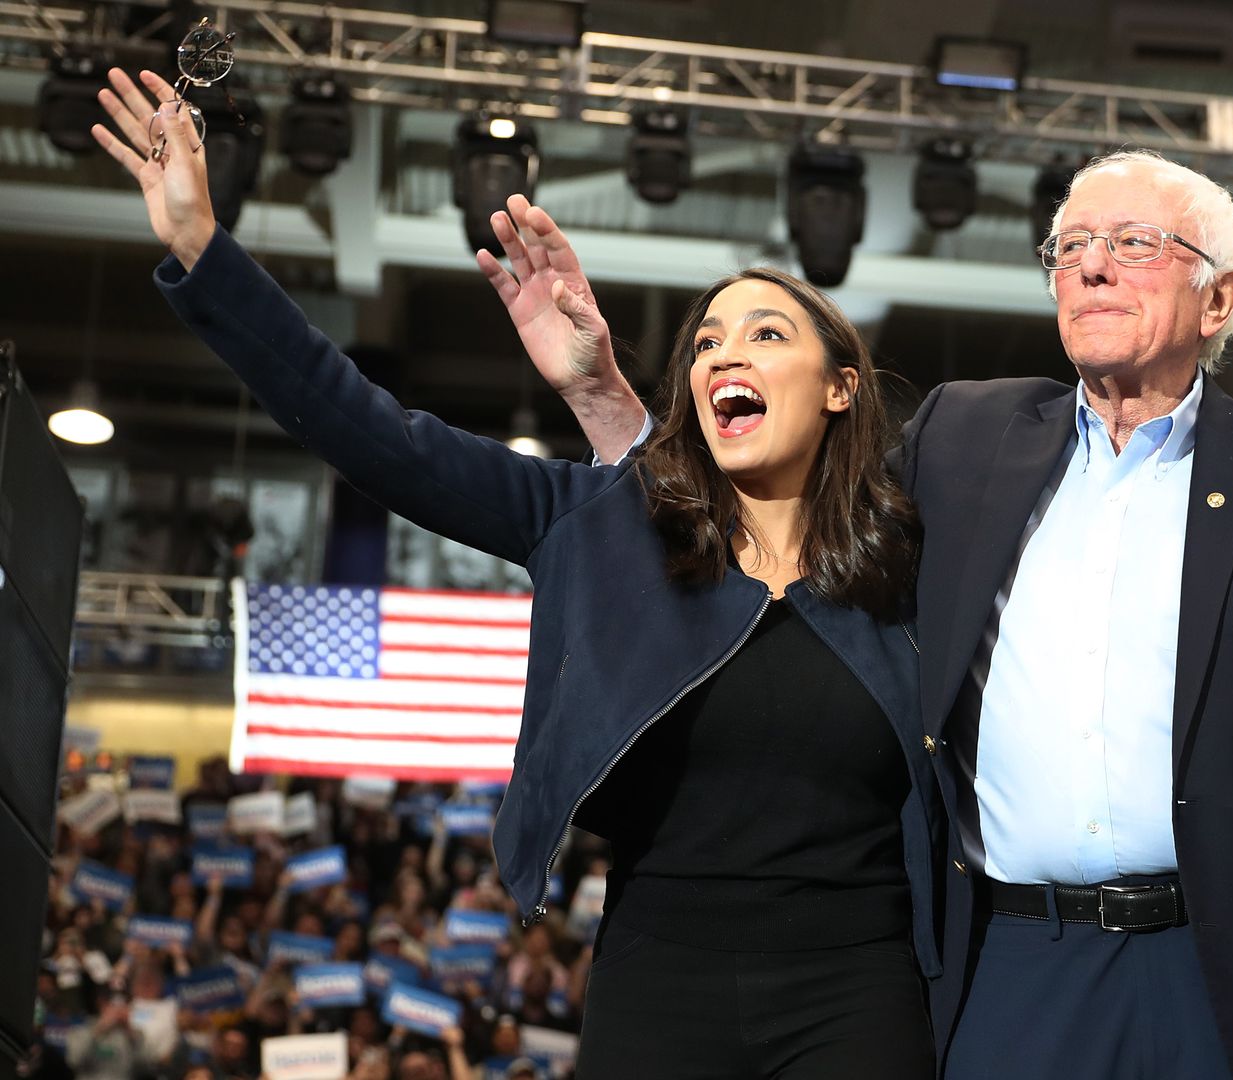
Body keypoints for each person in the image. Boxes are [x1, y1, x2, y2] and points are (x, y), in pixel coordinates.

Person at [92, 66, 940, 1079]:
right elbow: (371, 432)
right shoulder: (602, 526)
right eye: (705, 340)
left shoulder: (911, 553)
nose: (723, 356)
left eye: (766, 334)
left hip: (860, 991)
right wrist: (203, 251)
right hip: (658, 986)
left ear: (842, 387)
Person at [533, 149, 1233, 1078]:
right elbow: (780, 514)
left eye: (1134, 242)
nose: (1092, 265)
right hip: (1020, 966)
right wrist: (602, 399)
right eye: (1071, 247)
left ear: (1219, 299)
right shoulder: (961, 437)